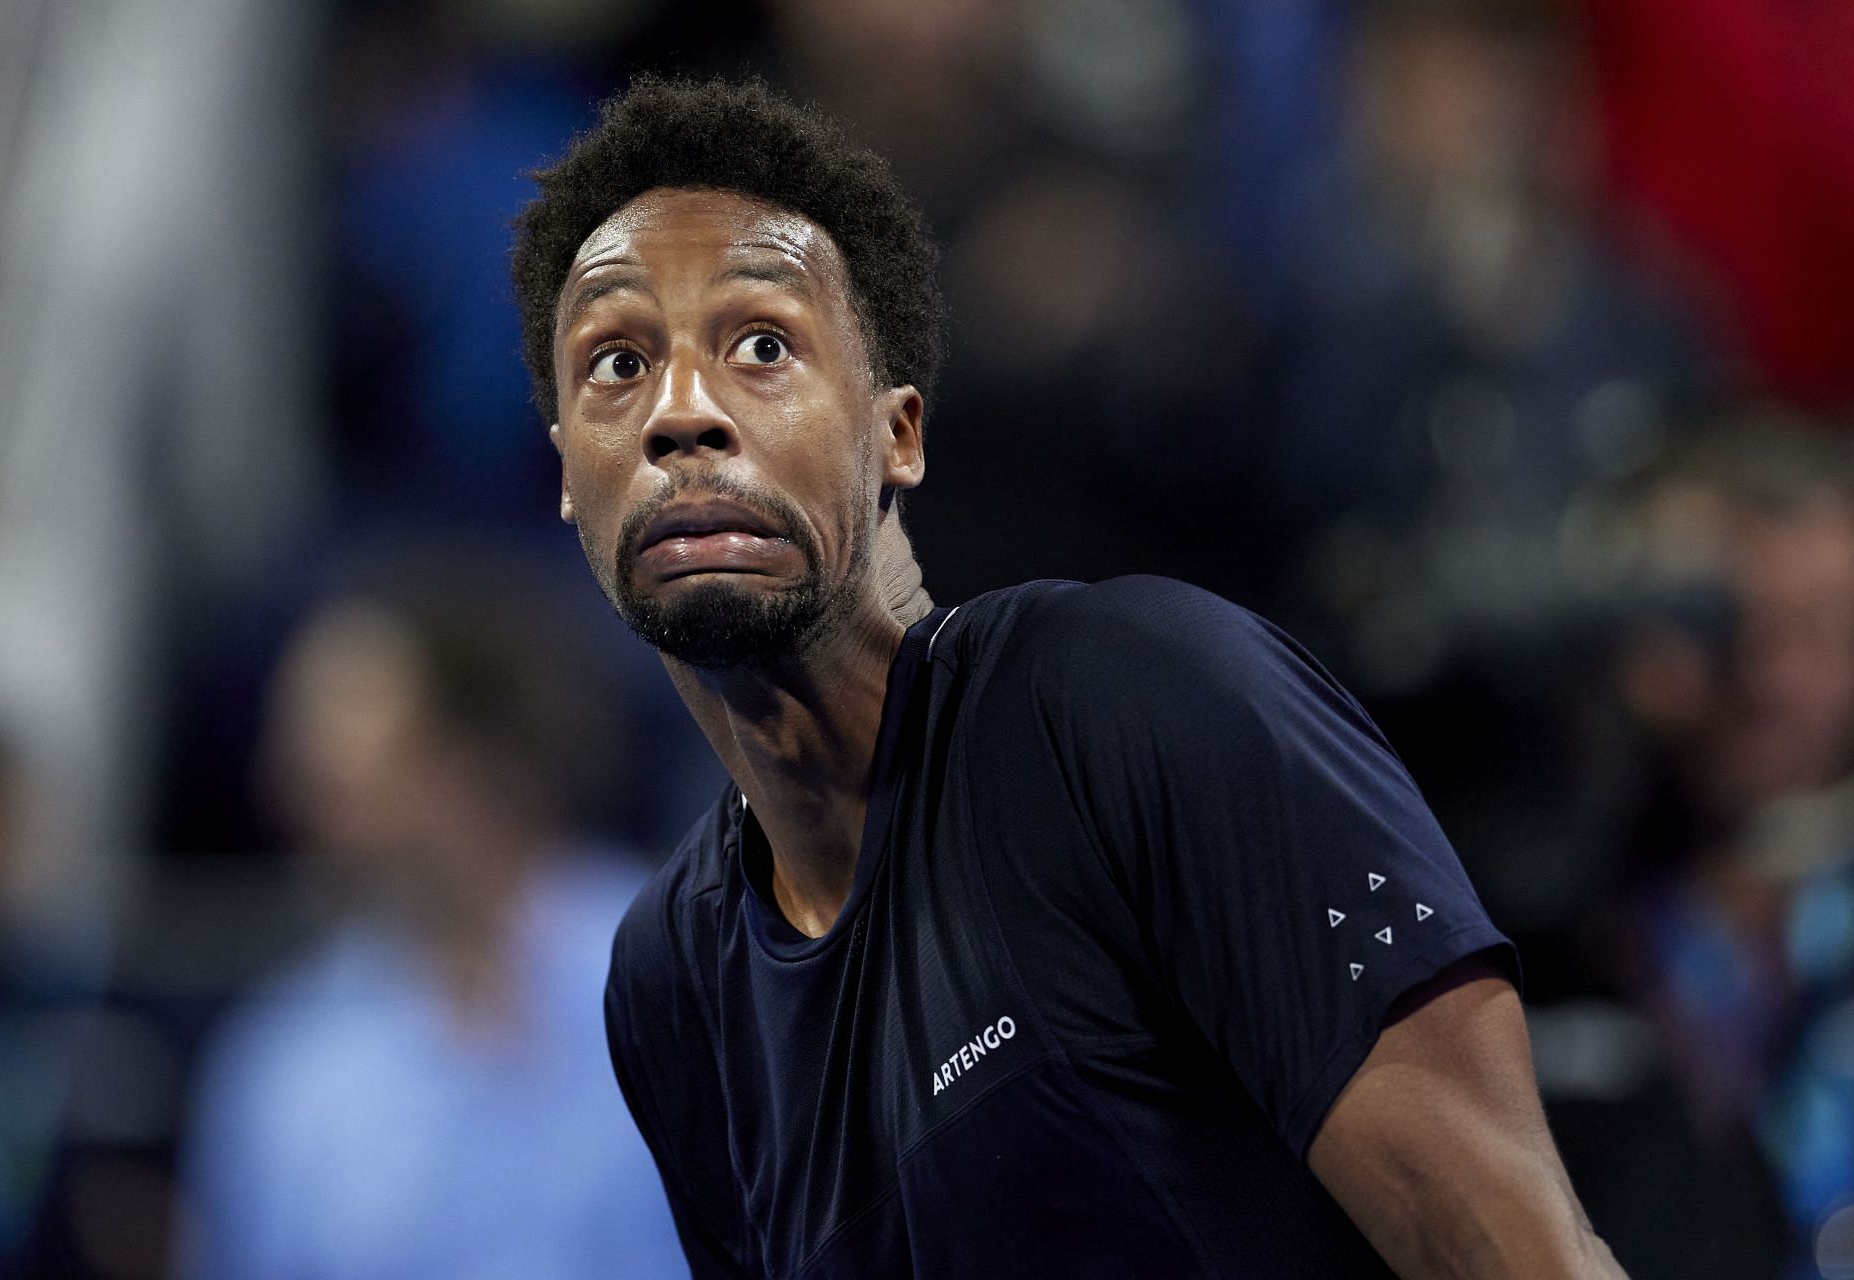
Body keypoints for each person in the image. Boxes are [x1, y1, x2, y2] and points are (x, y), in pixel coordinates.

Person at [511, 76, 1625, 1278]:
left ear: (899, 433)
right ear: (572, 469)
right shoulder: (671, 982)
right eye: (616, 363)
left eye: (764, 344)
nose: (682, 413)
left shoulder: (1135, 700)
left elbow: (1523, 1254)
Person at [180, 574, 686, 1280]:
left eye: (352, 747)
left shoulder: (686, 970)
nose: (297, 785)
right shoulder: (282, 1062)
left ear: (473, 757)